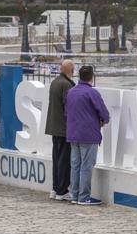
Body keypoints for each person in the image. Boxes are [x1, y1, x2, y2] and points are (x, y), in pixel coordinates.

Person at [66, 65, 109, 206]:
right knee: (86, 166)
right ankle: (84, 197)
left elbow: (66, 112)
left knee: (75, 165)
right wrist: (104, 120)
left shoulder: (71, 92)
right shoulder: (92, 93)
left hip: (73, 133)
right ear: (92, 77)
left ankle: (74, 194)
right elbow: (103, 112)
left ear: (79, 76)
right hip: (88, 134)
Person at [45, 60, 75, 201]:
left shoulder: (55, 82)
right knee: (64, 161)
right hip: (63, 128)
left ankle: (55, 188)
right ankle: (62, 191)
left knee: (57, 159)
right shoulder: (66, 84)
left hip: (54, 127)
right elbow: (69, 107)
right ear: (71, 70)